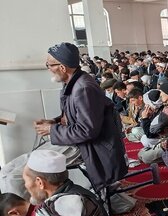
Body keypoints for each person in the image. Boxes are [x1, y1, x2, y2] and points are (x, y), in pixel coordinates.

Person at [34, 42, 127, 193]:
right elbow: (76, 117)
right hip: (82, 143)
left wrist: (52, 130)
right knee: (32, 160)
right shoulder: (73, 83)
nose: (49, 69)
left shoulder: (83, 88)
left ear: (62, 67)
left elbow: (86, 131)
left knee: (27, 168)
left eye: (49, 65)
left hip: (89, 147)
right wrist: (55, 122)